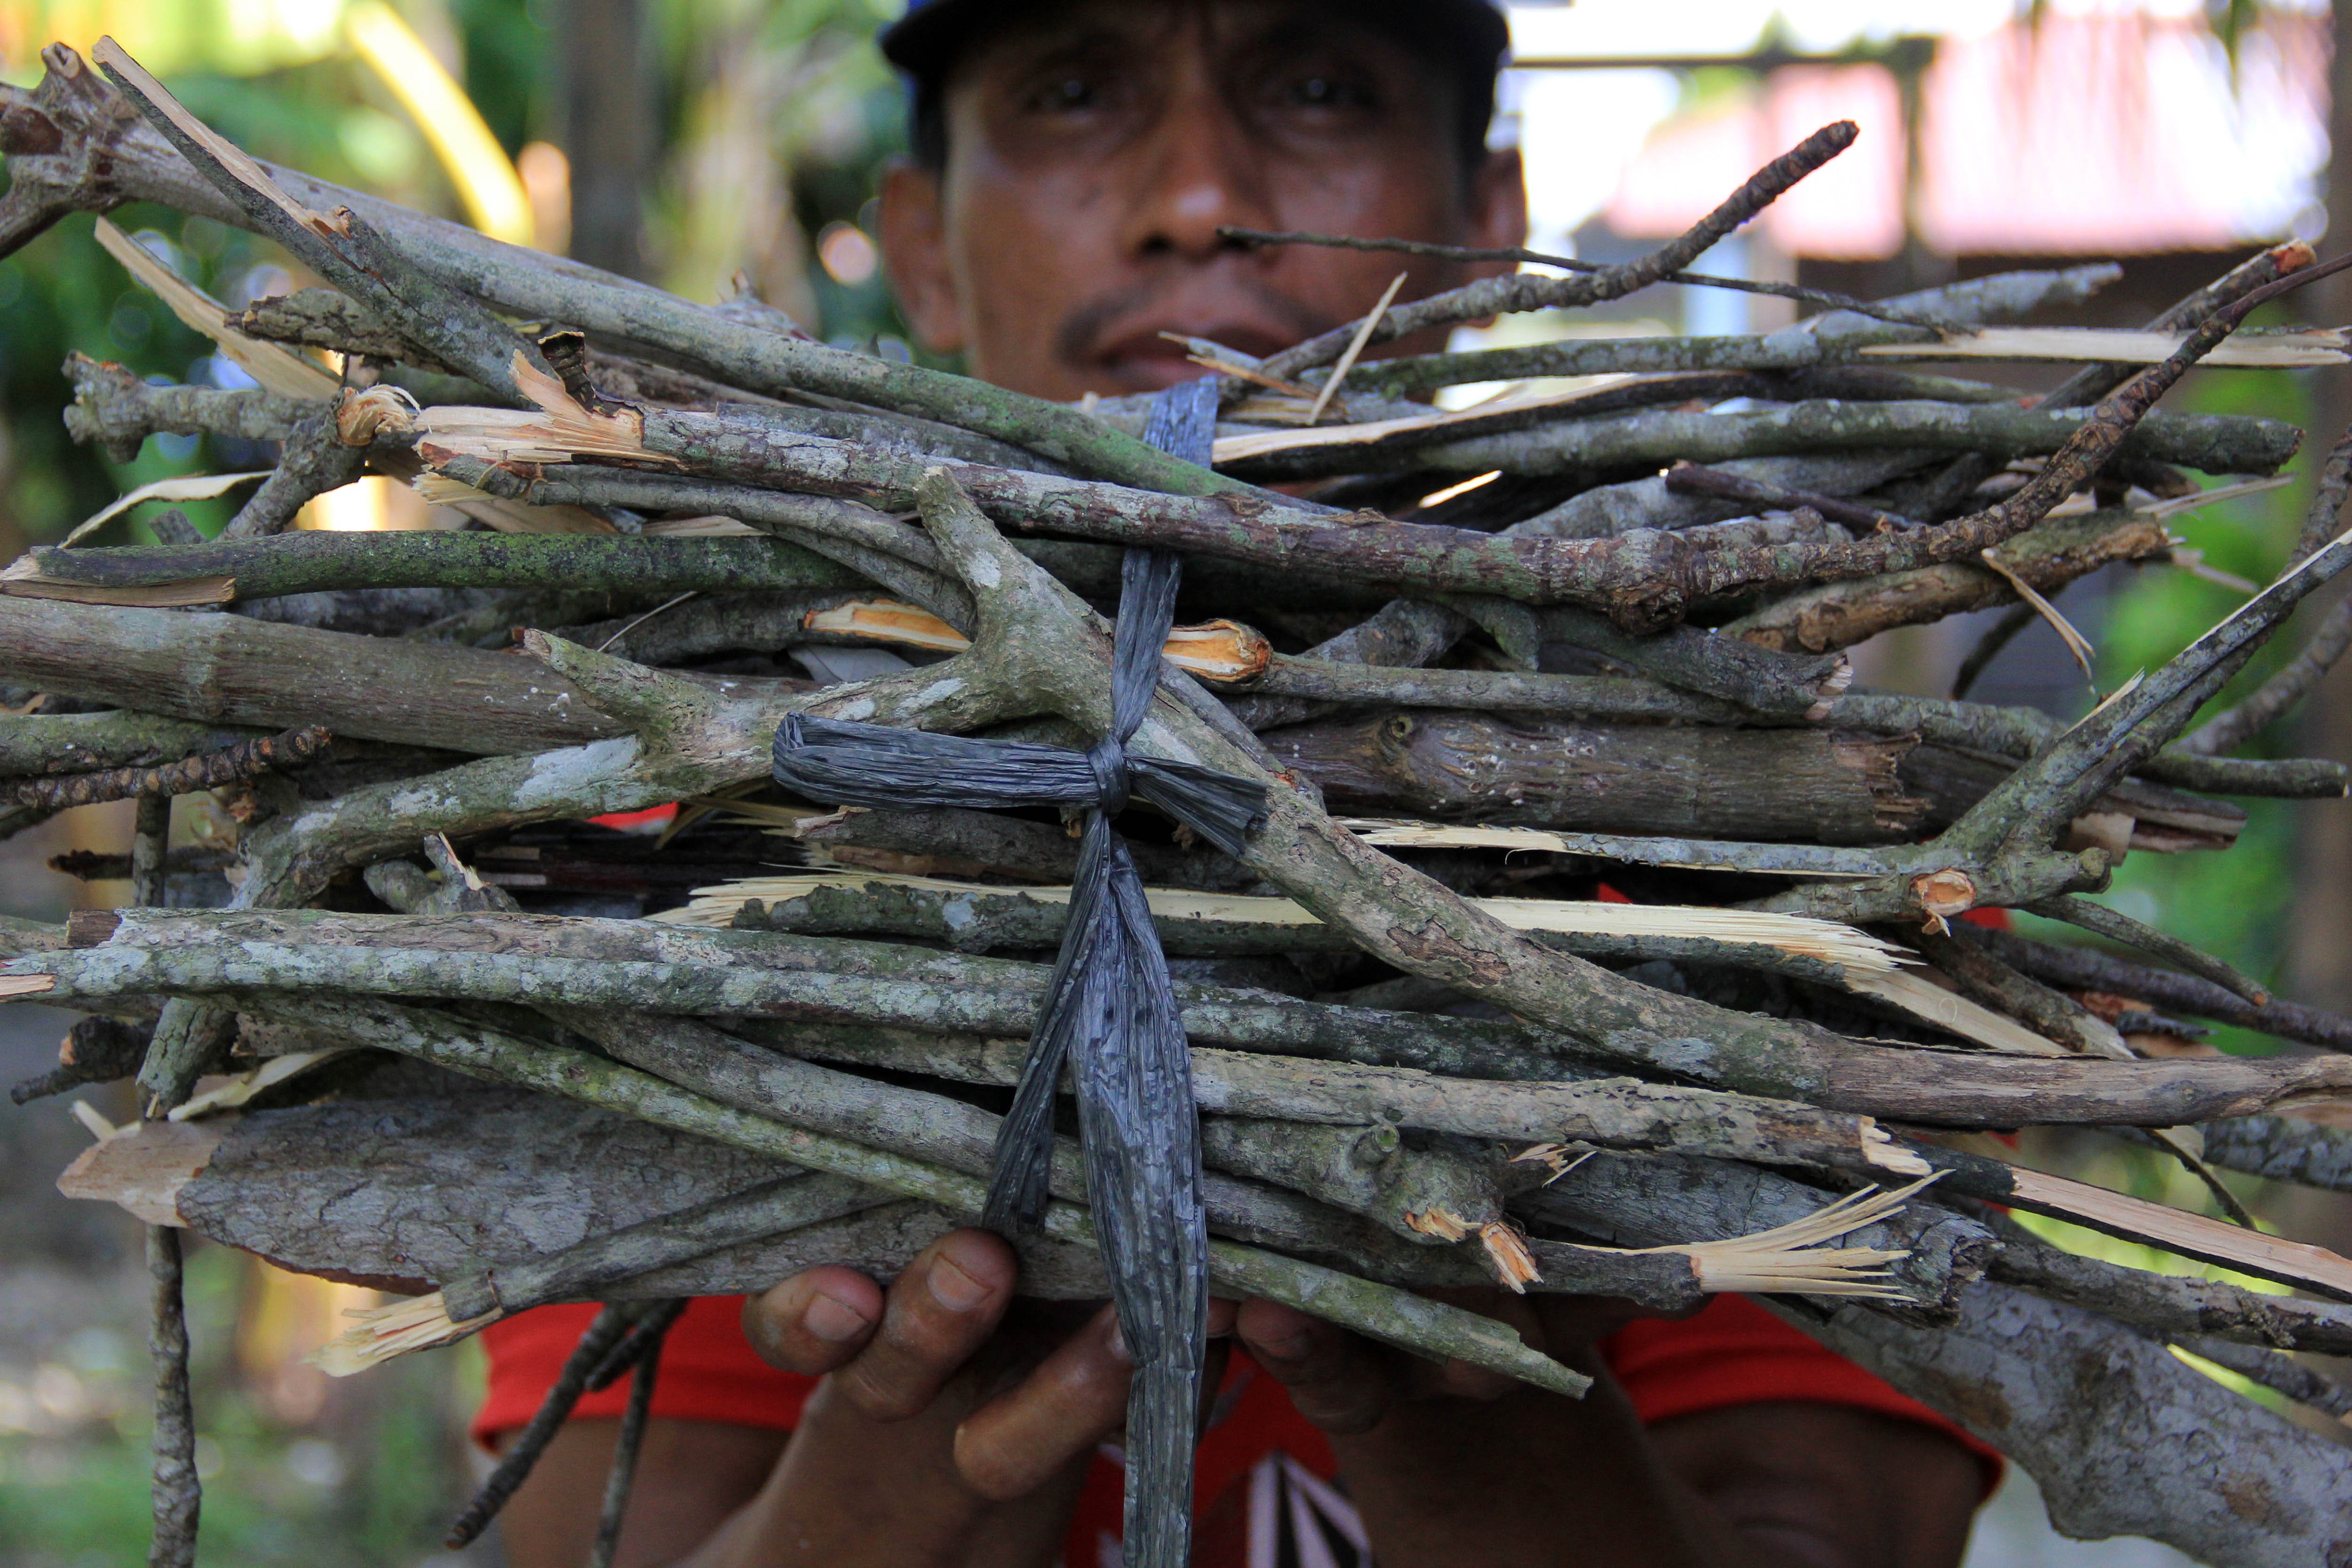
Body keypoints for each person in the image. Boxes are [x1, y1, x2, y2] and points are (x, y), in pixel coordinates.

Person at [481, 3, 1997, 1563]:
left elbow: (1843, 1529)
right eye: (1075, 92)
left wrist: (1457, 1381)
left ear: (1491, 230)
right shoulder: (692, 877)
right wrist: (930, 1439)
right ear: (924, 246)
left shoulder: (1751, 869)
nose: (1198, 199)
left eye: (1323, 88)